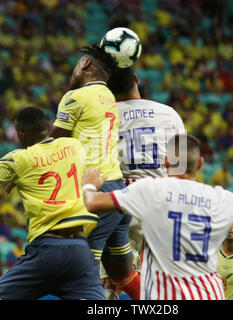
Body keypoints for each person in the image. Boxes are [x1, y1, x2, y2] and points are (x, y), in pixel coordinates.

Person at [81, 134, 233, 300]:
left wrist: (89, 184)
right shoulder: (220, 198)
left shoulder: (150, 190)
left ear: (166, 161)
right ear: (200, 164)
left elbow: (92, 203)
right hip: (209, 294)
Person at [0, 107, 104, 300]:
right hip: (78, 251)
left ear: (21, 134)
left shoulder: (18, 159)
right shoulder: (74, 146)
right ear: (48, 125)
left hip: (46, 252)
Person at [51, 45, 139, 299]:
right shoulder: (109, 96)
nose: (73, 71)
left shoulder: (75, 97)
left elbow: (49, 143)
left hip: (95, 193)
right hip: (118, 192)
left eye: (76, 64)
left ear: (86, 64)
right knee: (123, 274)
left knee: (81, 276)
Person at [105, 65, 186, 295]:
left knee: (112, 283)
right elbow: (181, 170)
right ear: (137, 79)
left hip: (116, 203)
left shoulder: (104, 116)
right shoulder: (169, 113)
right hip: (158, 204)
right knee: (157, 280)